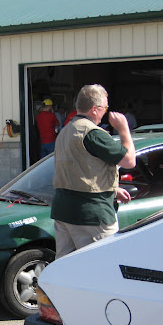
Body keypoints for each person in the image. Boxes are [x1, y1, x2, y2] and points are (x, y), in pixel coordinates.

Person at [51, 84, 136, 259]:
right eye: (105, 108)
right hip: (91, 215)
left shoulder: (65, 132)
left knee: (67, 267)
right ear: (95, 109)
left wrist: (112, 189)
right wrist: (123, 129)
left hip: (63, 210)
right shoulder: (93, 133)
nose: (105, 112)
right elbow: (129, 161)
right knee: (104, 264)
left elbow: (79, 170)